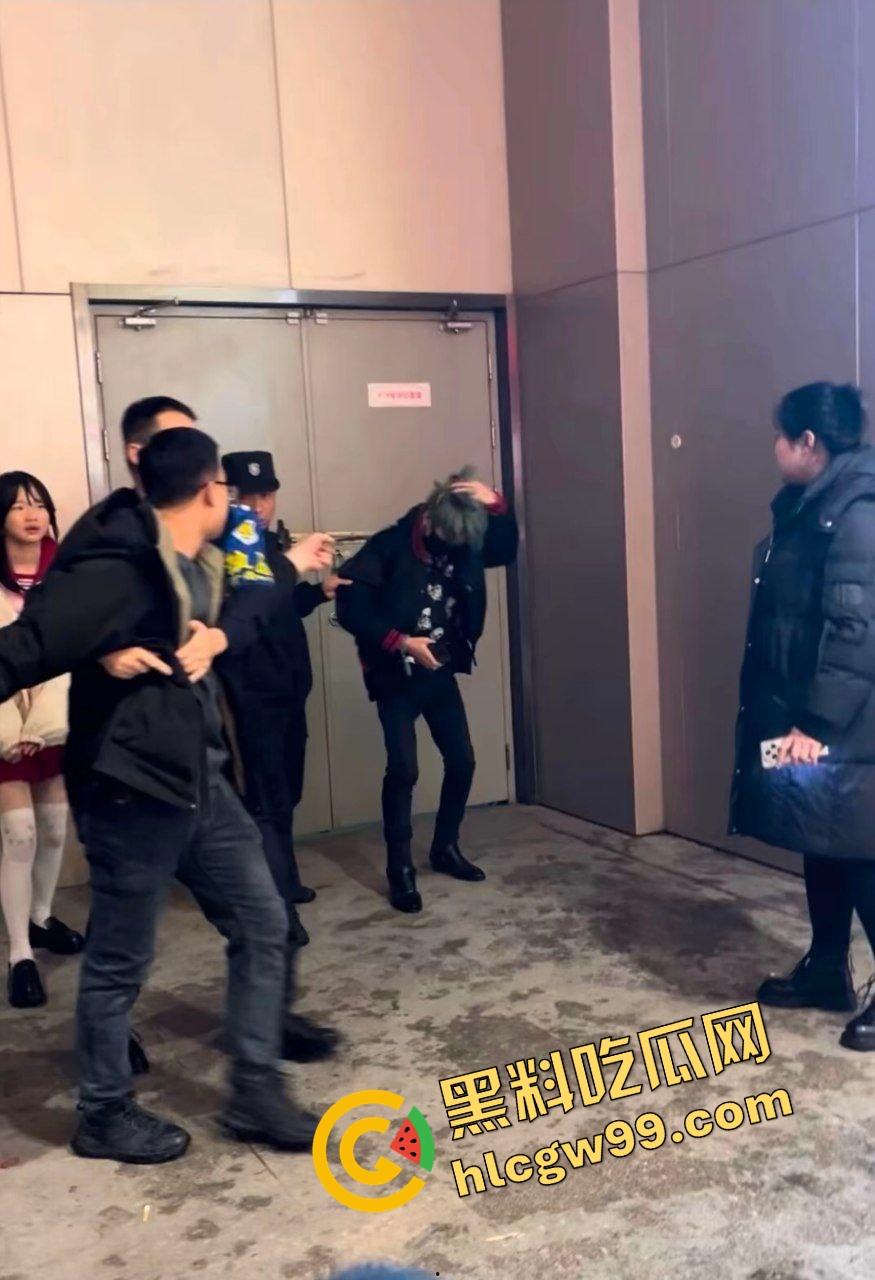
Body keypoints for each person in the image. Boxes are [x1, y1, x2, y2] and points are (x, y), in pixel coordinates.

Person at [0, 428, 330, 1162]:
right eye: (227, 490)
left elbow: (254, 590)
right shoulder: (117, 569)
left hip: (200, 781)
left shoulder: (205, 555)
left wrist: (223, 633)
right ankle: (103, 1112)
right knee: (121, 959)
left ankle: (254, 1091)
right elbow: (25, 648)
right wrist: (97, 649)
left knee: (263, 920)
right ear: (210, 488)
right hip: (131, 786)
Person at [101, 397, 337, 1070]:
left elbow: (251, 601)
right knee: (126, 930)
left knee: (260, 906)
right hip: (139, 768)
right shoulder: (118, 536)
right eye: (180, 441)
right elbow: (62, 626)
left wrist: (288, 571)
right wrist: (103, 650)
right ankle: (108, 1066)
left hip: (210, 749)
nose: (227, 490)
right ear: (141, 455)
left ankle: (263, 1046)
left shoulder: (222, 532)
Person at [730, 382, 875, 1052]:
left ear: (807, 442)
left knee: (859, 851)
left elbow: (856, 635)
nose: (774, 448)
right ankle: (825, 968)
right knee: (820, 838)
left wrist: (814, 724)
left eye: (780, 436)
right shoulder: (811, 505)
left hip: (846, 725)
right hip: (814, 716)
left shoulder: (855, 514)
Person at [336, 467, 517, 913]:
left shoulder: (461, 538)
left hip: (438, 671)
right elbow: (351, 606)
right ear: (432, 521)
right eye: (448, 539)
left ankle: (445, 847)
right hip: (395, 674)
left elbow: (505, 549)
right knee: (404, 770)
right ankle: (400, 869)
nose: (456, 548)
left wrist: (495, 503)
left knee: (463, 760)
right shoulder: (389, 546)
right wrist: (401, 642)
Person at [220, 449, 348, 911]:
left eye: (266, 495)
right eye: (247, 496)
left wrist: (319, 592)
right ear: (228, 496)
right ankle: (274, 903)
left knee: (287, 791)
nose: (258, 506)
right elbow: (243, 615)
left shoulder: (274, 545)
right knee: (264, 798)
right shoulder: (224, 551)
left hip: (290, 691)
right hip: (251, 696)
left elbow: (279, 607)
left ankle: (284, 881)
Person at [0, 472, 82, 1008]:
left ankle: (41, 916)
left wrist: (45, 721)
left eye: (40, 505)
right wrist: (11, 728)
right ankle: (20, 955)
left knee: (54, 827)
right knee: (20, 834)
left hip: (53, 722)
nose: (33, 515)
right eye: (19, 506)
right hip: (4, 726)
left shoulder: (67, 573)